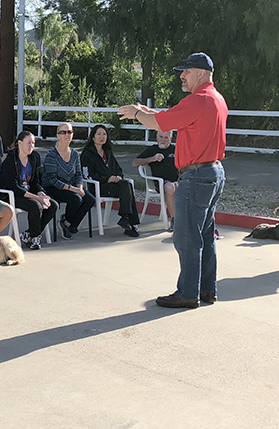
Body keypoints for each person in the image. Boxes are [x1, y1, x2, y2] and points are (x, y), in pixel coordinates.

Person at [119, 52, 227, 309]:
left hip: (196, 176)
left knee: (187, 238)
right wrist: (145, 111)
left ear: (200, 73)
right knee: (205, 235)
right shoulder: (215, 98)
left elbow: (159, 123)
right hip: (213, 172)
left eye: (186, 71)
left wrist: (137, 114)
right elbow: (170, 117)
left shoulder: (197, 99)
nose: (182, 75)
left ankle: (188, 293)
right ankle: (206, 289)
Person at [0, 131, 56, 250]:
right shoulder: (10, 160)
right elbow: (13, 187)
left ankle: (28, 234)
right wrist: (37, 198)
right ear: (20, 143)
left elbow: (34, 182)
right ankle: (34, 238)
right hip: (10, 195)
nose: (31, 146)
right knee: (35, 205)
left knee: (53, 205)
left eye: (33, 143)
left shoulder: (34, 158)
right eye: (28, 143)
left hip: (27, 193)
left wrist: (41, 193)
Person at [80, 124, 140, 237]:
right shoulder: (87, 154)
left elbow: (118, 169)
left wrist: (118, 177)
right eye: (99, 134)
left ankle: (126, 218)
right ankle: (131, 222)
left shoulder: (108, 152)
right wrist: (106, 179)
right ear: (93, 137)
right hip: (99, 187)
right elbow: (87, 175)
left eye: (104, 134)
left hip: (113, 187)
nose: (102, 137)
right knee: (127, 187)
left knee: (126, 184)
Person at [42, 122, 96, 239]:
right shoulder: (51, 155)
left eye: (69, 132)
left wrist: (80, 187)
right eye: (63, 132)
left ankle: (67, 223)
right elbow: (52, 180)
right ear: (58, 135)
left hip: (71, 186)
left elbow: (78, 174)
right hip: (54, 187)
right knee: (75, 198)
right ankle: (69, 224)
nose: (67, 135)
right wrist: (74, 189)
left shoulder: (75, 154)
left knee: (90, 199)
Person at [133, 130, 178, 228]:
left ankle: (188, 221)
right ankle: (175, 220)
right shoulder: (152, 150)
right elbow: (135, 163)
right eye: (161, 137)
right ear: (157, 137)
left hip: (177, 181)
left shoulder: (176, 149)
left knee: (182, 186)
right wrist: (152, 159)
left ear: (171, 138)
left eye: (166, 138)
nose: (163, 140)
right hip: (160, 183)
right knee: (170, 187)